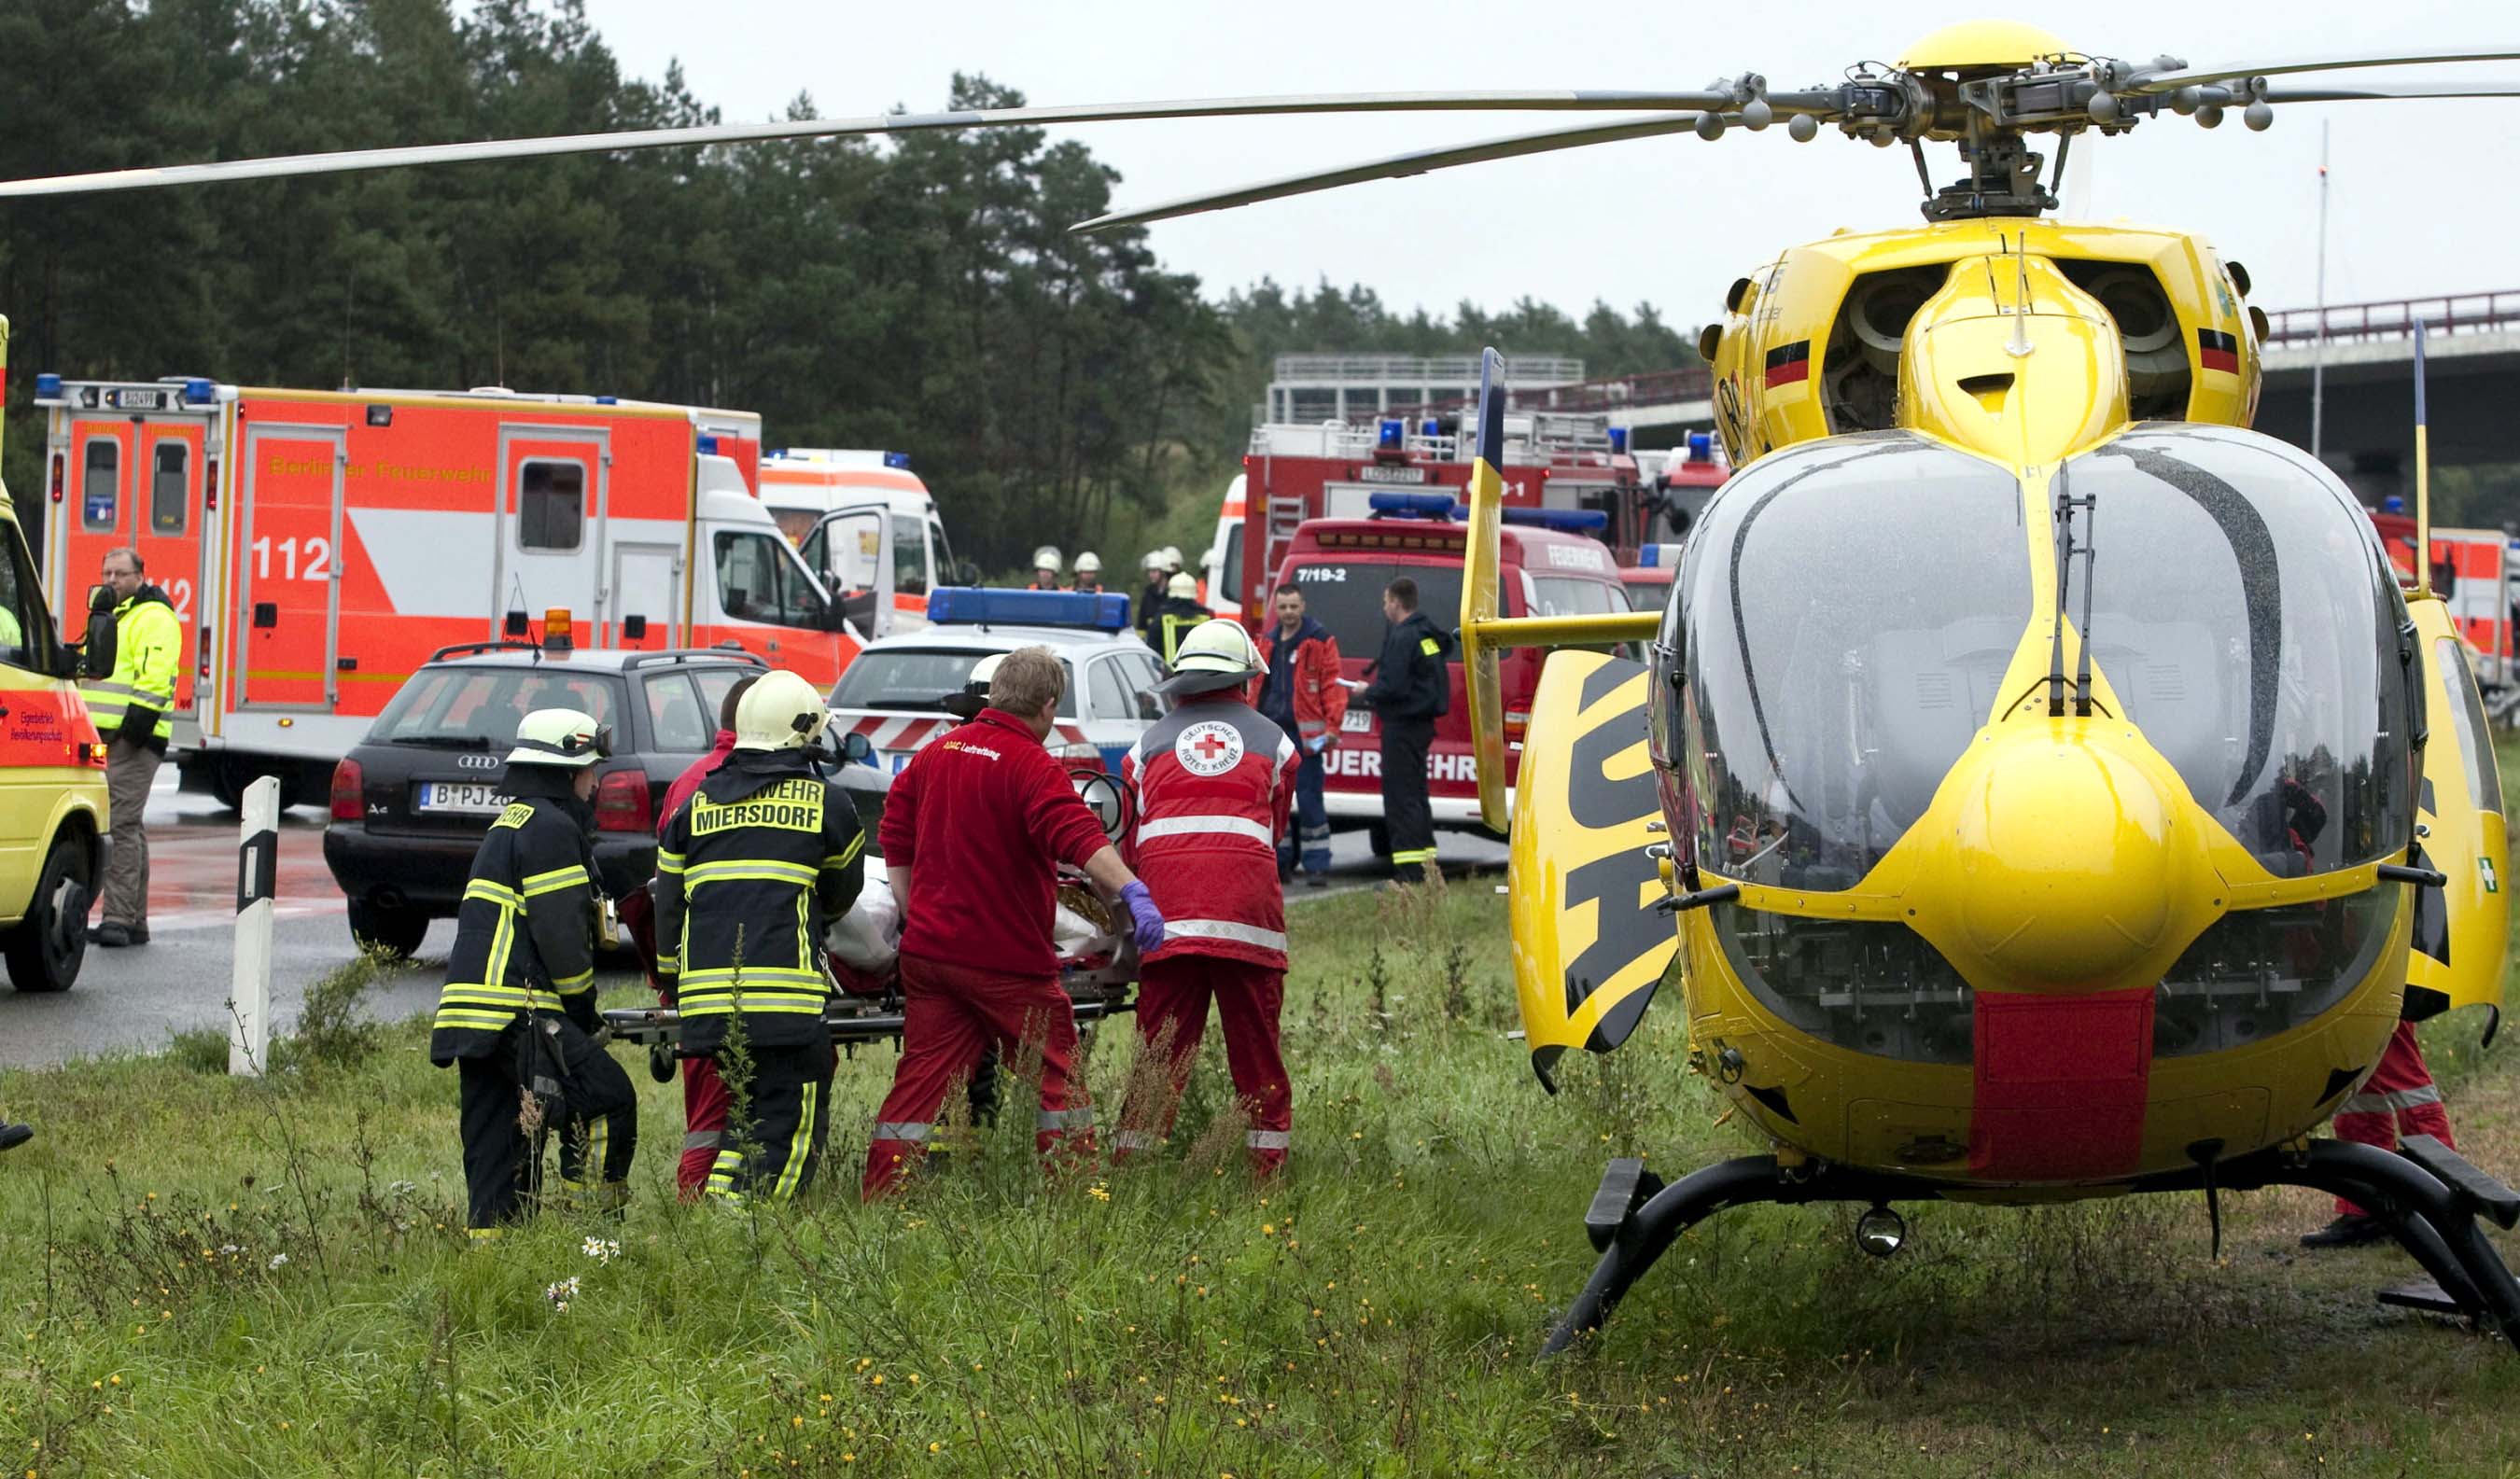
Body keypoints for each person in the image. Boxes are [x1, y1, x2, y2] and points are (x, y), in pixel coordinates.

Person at [862, 646, 1166, 1198]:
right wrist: (1131, 889)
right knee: (1058, 1077)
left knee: (919, 1086)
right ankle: (1074, 1192)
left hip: (930, 959)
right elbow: (1080, 838)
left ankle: (881, 1196)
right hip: (1003, 963)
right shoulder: (1032, 767)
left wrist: (914, 914)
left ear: (995, 693)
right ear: (1049, 705)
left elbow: (895, 837)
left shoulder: (935, 754)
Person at [655, 671, 865, 1206]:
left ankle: (718, 1212)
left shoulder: (694, 804)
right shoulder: (827, 803)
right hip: (784, 998)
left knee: (750, 1114)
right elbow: (842, 894)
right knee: (794, 1122)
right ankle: (747, 1227)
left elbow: (667, 902)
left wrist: (670, 978)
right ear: (803, 733)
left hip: (704, 999)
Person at [428, 707, 638, 1238]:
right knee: (606, 1099)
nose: (596, 783)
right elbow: (562, 932)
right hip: (516, 1008)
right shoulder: (550, 827)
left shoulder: (513, 821)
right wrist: (583, 1010)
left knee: (500, 1142)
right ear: (567, 772)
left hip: (472, 1015)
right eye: (591, 770)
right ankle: (592, 1238)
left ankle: (495, 1261)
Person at [1115, 620, 1299, 1174]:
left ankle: (1129, 1179)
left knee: (1159, 1055)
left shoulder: (1143, 747)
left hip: (1167, 921)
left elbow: (1128, 844)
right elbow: (1275, 830)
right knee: (1257, 1055)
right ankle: (1264, 1180)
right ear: (1245, 681)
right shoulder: (1278, 744)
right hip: (1247, 920)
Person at [630, 672, 756, 1202]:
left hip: (694, 969)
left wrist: (670, 981)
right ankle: (701, 1200)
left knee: (709, 1096)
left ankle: (708, 1194)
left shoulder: (690, 781)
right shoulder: (781, 781)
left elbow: (668, 886)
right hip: (762, 966)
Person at [80, 548, 180, 948]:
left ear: (140, 576)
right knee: (130, 825)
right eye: (106, 573)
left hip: (133, 738)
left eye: (120, 574)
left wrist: (131, 734)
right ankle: (134, 920)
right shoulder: (114, 616)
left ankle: (118, 919)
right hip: (109, 737)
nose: (111, 580)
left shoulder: (154, 617)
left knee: (119, 823)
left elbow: (155, 680)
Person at [2303, 1022, 2462, 1248]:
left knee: (2400, 1071)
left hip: (2379, 992)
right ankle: (2368, 1210)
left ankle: (2441, 1199)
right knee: (2358, 1082)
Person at [1358, 577, 1452, 884]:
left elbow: (1393, 685)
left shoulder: (1404, 637)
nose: (1384, 607)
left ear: (1397, 603)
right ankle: (1425, 864)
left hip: (1401, 726)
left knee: (1401, 798)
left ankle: (1409, 873)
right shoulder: (1425, 634)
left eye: (1386, 601)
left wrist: (1367, 691)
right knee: (1415, 795)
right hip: (1419, 726)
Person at [1253, 583, 1346, 887]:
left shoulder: (1319, 641)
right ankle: (1280, 865)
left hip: (1306, 740)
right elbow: (1255, 687)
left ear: (1303, 606)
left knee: (1309, 802)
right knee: (1276, 802)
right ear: (1275, 608)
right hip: (1271, 734)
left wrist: (1333, 727)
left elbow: (1333, 686)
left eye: (1293, 607)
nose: (1289, 613)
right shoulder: (1266, 642)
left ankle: (1317, 865)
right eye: (1283, 607)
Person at [1153, 573, 1209, 665]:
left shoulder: (1161, 617)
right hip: (1200, 672)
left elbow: (1154, 649)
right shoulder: (1206, 617)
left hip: (1171, 675)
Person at [1136, 552, 1170, 643]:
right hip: (1152, 643)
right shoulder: (1147, 594)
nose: (1150, 575)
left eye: (1154, 571)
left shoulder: (1172, 594)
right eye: (1149, 571)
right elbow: (1141, 623)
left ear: (1163, 572)